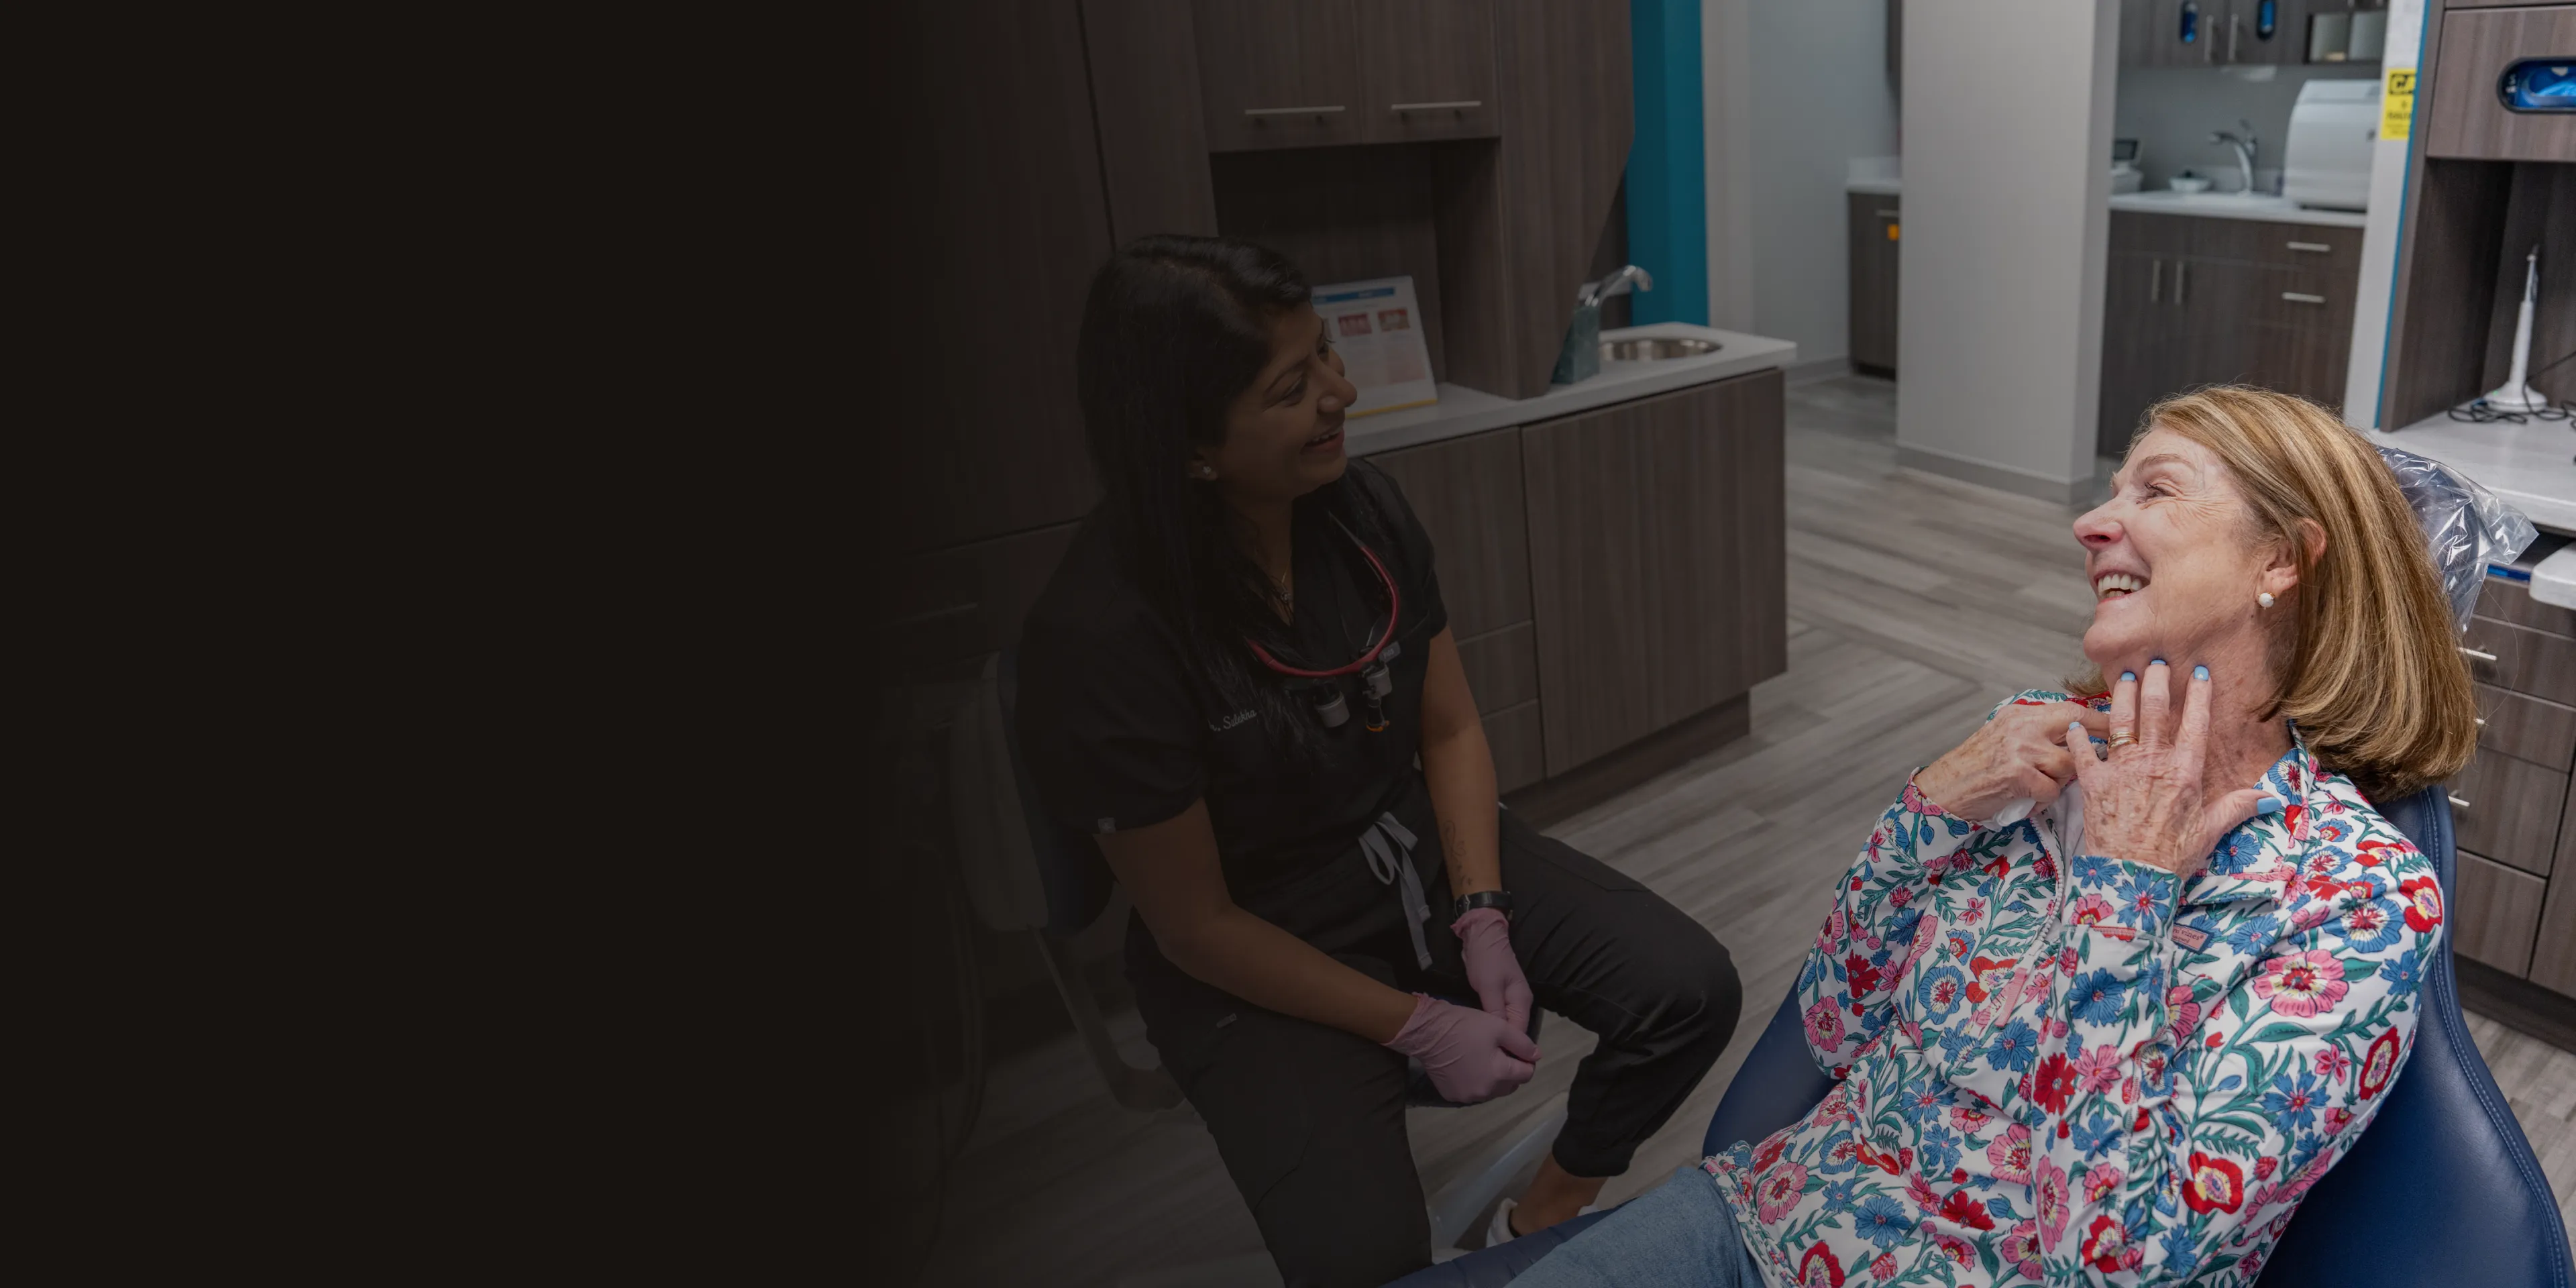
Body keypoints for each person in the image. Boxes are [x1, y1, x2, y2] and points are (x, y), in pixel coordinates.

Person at [1511, 385, 2477, 1287]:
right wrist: (1926, 810)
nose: (2091, 524)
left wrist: (2127, 889)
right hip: (1767, 1217)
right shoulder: (2036, 747)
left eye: (2158, 488)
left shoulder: (2359, 894)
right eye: (2109, 493)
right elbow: (1835, 1029)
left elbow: (2114, 1258)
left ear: (2280, 560)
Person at [1012, 235, 1745, 1287]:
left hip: (1410, 852)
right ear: (1189, 450)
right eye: (1292, 386)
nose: (1342, 394)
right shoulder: (1103, 638)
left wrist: (1483, 906)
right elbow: (1196, 925)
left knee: (1689, 990)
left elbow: (1445, 730)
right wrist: (1413, 1022)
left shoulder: (1359, 516)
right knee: (1365, 1260)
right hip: (1252, 940)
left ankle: (1542, 1208)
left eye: (1327, 356)